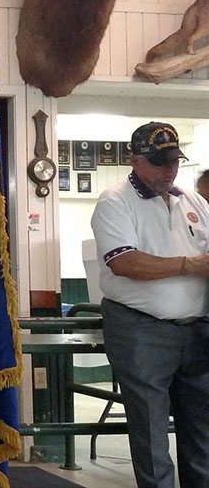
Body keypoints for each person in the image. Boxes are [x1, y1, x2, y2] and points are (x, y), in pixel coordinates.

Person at [91, 121, 209, 488]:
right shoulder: (115, 201)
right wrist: (189, 265)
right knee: (151, 431)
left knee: (202, 433)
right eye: (159, 162)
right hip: (141, 329)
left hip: (197, 330)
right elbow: (124, 262)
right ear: (134, 160)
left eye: (173, 162)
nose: (168, 170)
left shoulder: (193, 200)